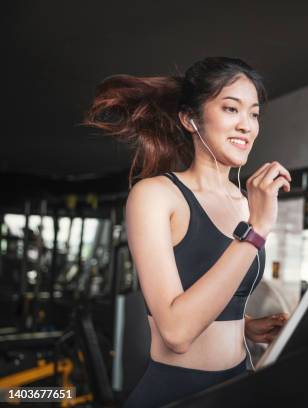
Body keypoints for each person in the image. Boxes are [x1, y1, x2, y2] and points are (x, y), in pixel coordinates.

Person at [85, 57, 291, 407]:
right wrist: (256, 230)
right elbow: (177, 332)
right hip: (177, 393)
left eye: (254, 114)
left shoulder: (244, 202)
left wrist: (244, 325)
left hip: (238, 385)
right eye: (231, 109)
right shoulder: (155, 196)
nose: (247, 126)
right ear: (190, 119)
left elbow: (217, 298)